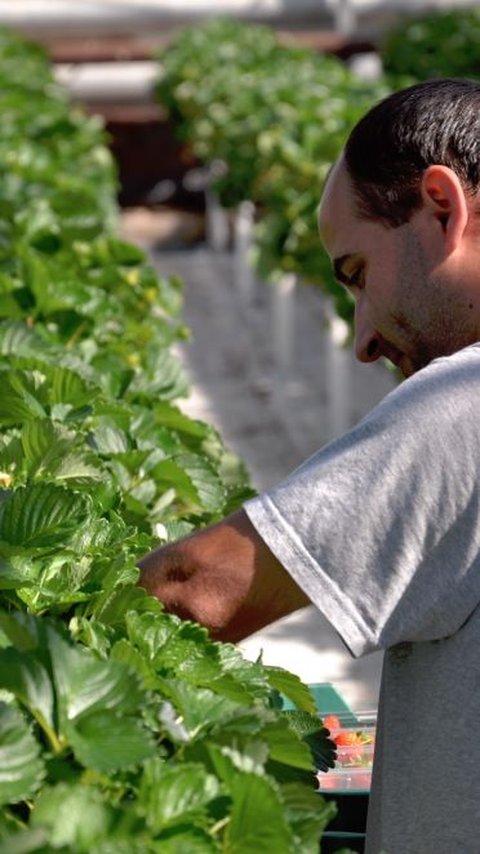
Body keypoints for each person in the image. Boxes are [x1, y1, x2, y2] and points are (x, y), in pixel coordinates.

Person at [139, 78, 480, 853]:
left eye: (357, 274)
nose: (362, 338)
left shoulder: (466, 404)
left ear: (440, 206)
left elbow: (198, 591)